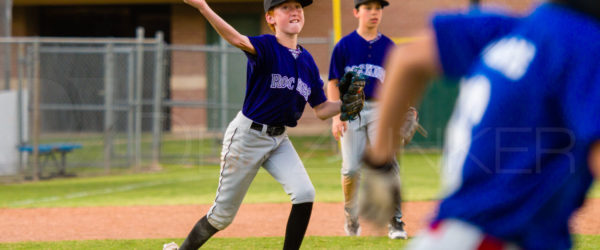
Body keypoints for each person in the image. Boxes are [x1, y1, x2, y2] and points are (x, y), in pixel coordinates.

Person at [361, 0, 600, 249]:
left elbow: (407, 59)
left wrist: (379, 163)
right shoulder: (586, 45)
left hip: (451, 234)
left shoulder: (510, 29)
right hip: (499, 238)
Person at [164, 0, 353, 249]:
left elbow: (321, 110)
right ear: (271, 18)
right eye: (286, 7)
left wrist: (349, 104)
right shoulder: (266, 46)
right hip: (246, 137)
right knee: (222, 216)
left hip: (278, 140)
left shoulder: (307, 61)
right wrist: (203, 7)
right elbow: (238, 40)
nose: (295, 11)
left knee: (305, 193)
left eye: (298, 7)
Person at [326, 0, 407, 239]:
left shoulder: (390, 46)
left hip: (382, 109)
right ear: (356, 12)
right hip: (351, 109)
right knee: (351, 169)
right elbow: (332, 82)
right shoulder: (344, 45)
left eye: (378, 8)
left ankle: (396, 221)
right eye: (368, 7)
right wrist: (336, 116)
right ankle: (351, 216)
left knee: (388, 164)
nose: (374, 12)